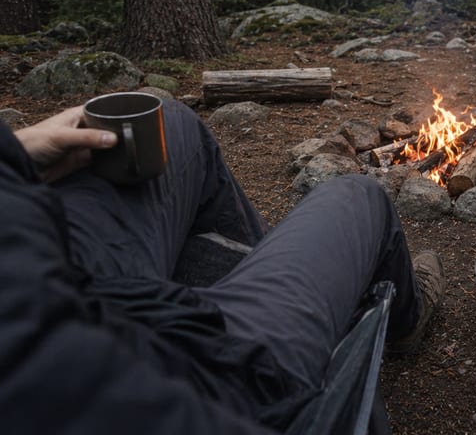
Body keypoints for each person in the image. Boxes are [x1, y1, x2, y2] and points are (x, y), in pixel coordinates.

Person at [0, 97, 446, 433]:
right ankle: (401, 323)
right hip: (157, 356)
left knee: (170, 122)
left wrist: (15, 154)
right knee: (357, 194)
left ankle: (265, 273)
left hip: (42, 258)